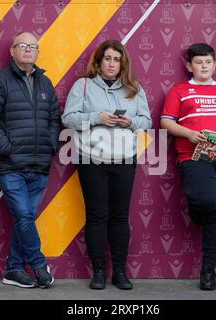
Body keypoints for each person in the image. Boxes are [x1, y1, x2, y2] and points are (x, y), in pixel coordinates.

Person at [62, 40, 152, 290]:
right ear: (99, 62)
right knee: (96, 216)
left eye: (116, 59)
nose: (112, 64)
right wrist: (97, 118)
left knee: (120, 217)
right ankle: (99, 271)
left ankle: (120, 272)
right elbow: (68, 119)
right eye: (107, 59)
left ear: (123, 62)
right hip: (91, 160)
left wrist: (129, 122)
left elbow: (146, 121)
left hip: (124, 159)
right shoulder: (83, 85)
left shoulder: (134, 88)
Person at [0, 31, 61, 289]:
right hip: (10, 165)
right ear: (12, 50)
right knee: (24, 214)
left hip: (39, 163)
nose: (28, 50)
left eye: (33, 47)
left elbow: (54, 120)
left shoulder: (45, 84)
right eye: (22, 45)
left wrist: (49, 146)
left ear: (38, 52)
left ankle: (13, 269)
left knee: (24, 218)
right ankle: (37, 263)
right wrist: (7, 148)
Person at [160, 43, 216, 290]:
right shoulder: (180, 91)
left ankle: (208, 272)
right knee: (208, 201)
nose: (204, 66)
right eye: (198, 62)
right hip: (193, 156)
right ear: (189, 66)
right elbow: (166, 121)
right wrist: (188, 133)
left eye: (208, 62)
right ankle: (199, 213)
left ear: (215, 64)